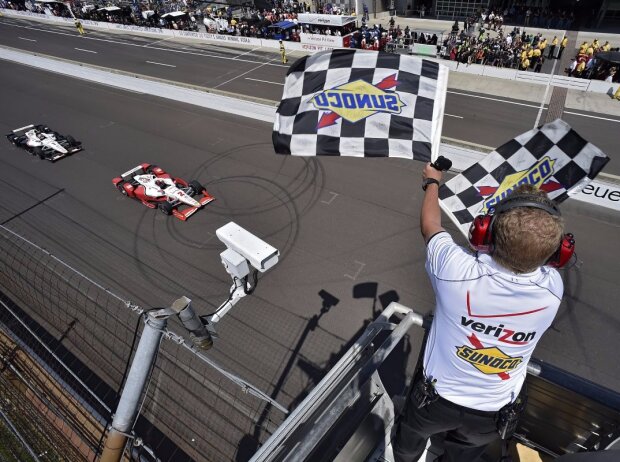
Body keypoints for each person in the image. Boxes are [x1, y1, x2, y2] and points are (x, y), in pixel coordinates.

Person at [393, 168, 567, 462]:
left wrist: (432, 182)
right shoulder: (553, 291)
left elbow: (430, 224)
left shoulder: (454, 270)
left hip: (433, 400)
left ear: (484, 232)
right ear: (557, 254)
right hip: (493, 413)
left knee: (408, 442)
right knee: (463, 457)